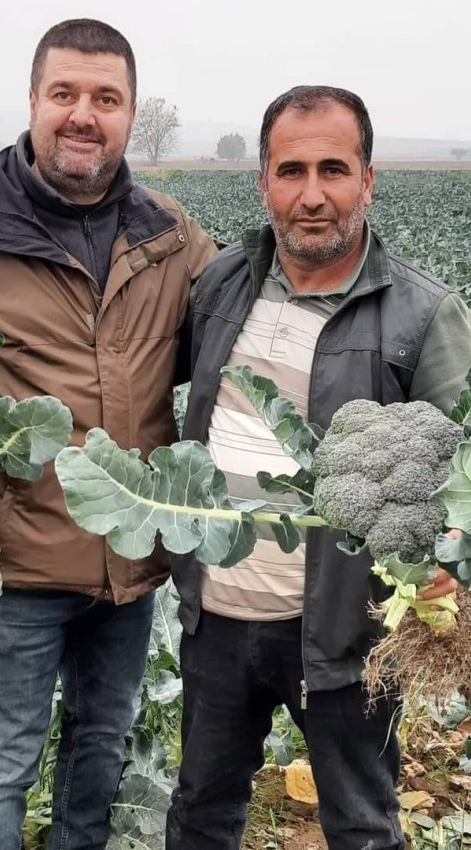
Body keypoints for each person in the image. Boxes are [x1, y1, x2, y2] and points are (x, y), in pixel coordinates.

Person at [0, 18, 216, 850]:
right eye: (64, 93)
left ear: (130, 115)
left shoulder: (172, 236)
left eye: (106, 98)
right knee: (1, 764)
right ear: (32, 102)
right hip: (19, 561)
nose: (83, 115)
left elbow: (250, 331)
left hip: (130, 563)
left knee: (101, 748)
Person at [167, 85, 471, 850]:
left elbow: (465, 466)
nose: (311, 195)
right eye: (291, 171)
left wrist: (448, 560)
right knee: (199, 815)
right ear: (262, 182)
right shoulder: (222, 285)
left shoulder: (423, 311)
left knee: (362, 826)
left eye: (333, 170)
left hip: (344, 637)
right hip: (216, 621)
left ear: (368, 180)